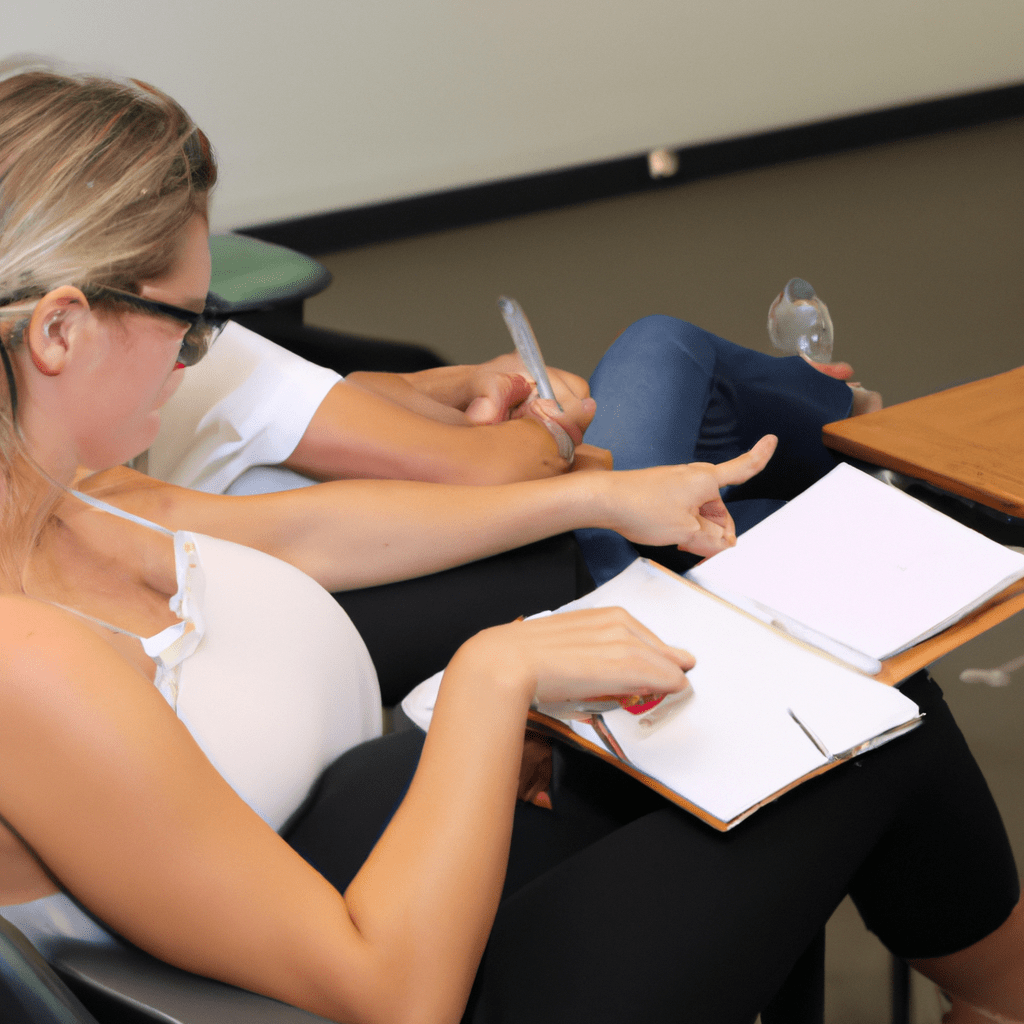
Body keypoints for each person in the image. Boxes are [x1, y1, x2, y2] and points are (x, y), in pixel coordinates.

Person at [0, 67, 1021, 1024]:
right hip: (386, 965)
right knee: (878, 722)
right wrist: (495, 681)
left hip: (373, 830)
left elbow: (310, 528)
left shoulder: (66, 494)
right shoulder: (28, 662)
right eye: (188, 325)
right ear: (58, 332)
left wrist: (603, 504)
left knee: (839, 688)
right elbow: (393, 992)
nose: (196, 355)